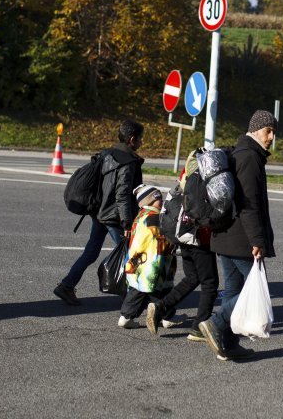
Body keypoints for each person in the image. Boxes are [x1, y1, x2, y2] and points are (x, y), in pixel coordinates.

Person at [199, 110, 277, 361]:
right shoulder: (250, 157)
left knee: (234, 291)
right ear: (255, 130)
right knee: (251, 291)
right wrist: (257, 240)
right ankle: (215, 323)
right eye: (268, 131)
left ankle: (228, 344)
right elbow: (249, 203)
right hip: (242, 238)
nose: (271, 137)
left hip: (224, 235)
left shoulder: (237, 152)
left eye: (274, 132)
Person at [54, 119, 144, 306]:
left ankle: (67, 285)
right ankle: (132, 299)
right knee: (129, 255)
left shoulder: (107, 154)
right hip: (114, 217)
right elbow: (122, 195)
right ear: (132, 139)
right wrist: (127, 223)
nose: (142, 142)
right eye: (140, 139)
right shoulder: (127, 162)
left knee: (91, 252)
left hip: (99, 212)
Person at [145, 185, 220, 341]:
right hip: (199, 236)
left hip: (182, 232)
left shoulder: (188, 171)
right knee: (210, 283)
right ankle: (198, 328)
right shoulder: (207, 173)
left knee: (192, 277)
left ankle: (161, 306)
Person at [118, 185, 180, 329]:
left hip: (139, 261)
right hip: (154, 261)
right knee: (159, 290)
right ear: (148, 201)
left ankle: (126, 316)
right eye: (158, 198)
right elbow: (162, 238)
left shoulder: (141, 215)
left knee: (138, 290)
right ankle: (167, 317)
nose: (162, 201)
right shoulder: (154, 218)